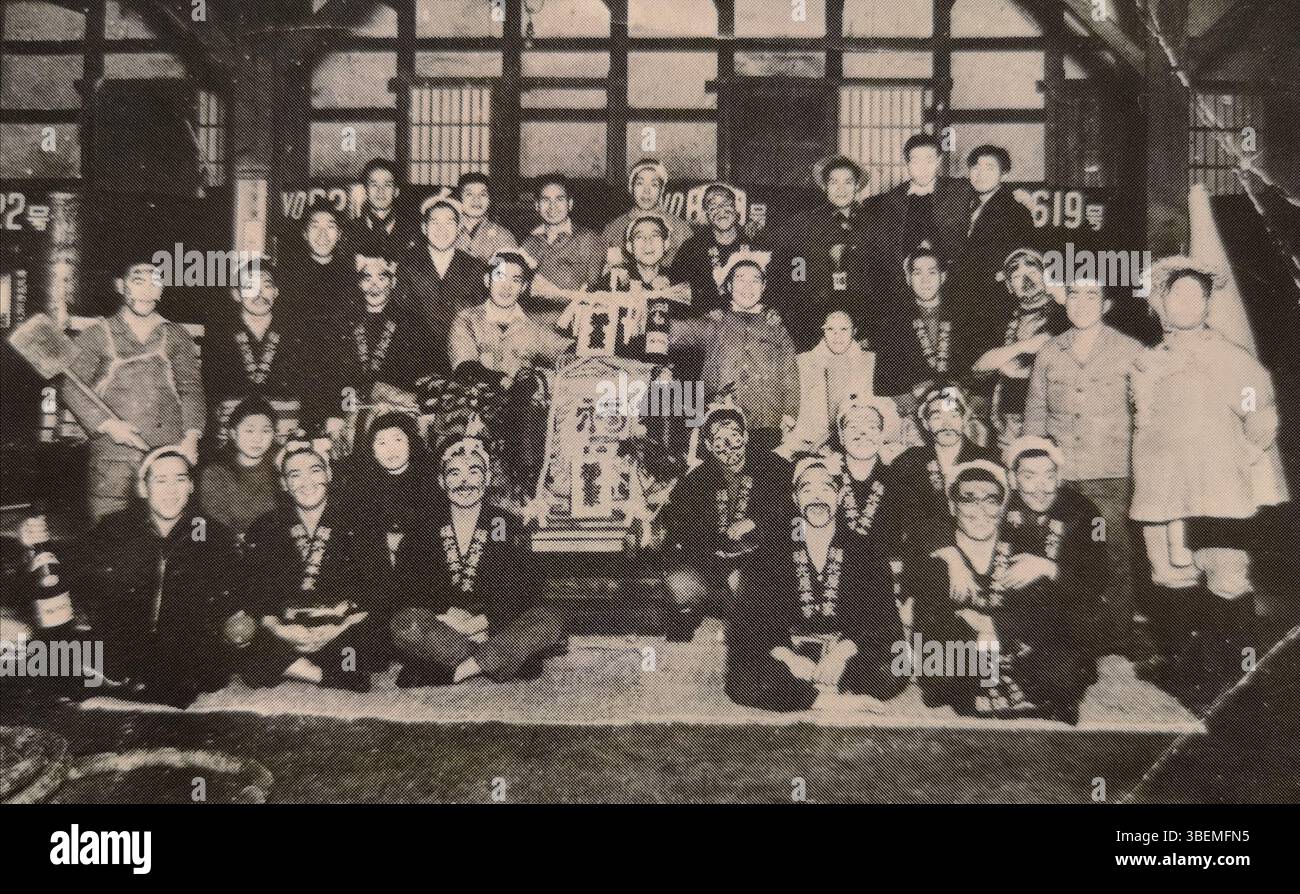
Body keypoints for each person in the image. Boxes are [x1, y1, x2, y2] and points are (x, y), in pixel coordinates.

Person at [1129, 257, 1288, 708]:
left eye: (1195, 295)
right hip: (1161, 490)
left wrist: (1252, 439)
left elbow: (1258, 410)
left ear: (1207, 304)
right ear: (1160, 301)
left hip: (1215, 490)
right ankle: (1188, 669)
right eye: (1175, 293)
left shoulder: (1232, 360)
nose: (1184, 302)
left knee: (1225, 575)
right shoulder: (1145, 362)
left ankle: (1240, 678)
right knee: (1171, 575)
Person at [905, 460, 1087, 721]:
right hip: (962, 648)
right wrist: (977, 635)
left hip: (1014, 646)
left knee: (1065, 668)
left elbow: (1045, 613)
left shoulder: (1023, 548)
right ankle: (1010, 694)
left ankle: (1004, 691)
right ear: (953, 506)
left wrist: (990, 625)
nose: (980, 509)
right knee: (942, 669)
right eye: (969, 499)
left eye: (991, 500)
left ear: (1002, 507)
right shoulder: (940, 555)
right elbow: (932, 620)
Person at [388, 422, 567, 687]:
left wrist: (483, 621)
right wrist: (444, 614)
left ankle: (456, 671)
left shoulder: (505, 524)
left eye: (474, 472)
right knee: (404, 624)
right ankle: (500, 659)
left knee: (551, 619)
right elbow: (409, 582)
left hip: (493, 622)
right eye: (454, 473)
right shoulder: (424, 526)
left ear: (487, 479)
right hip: (444, 623)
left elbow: (523, 585)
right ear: (441, 480)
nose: (464, 482)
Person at [725, 455, 907, 713]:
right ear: (795, 499)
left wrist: (842, 652)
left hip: (846, 651)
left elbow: (884, 617)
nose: (817, 497)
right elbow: (753, 619)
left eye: (826, 488)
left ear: (840, 496)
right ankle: (831, 700)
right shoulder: (771, 550)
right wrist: (789, 658)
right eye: (807, 489)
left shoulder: (865, 548)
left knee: (895, 666)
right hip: (792, 650)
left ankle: (804, 693)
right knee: (744, 678)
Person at [1023, 276, 1144, 656]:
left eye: (1092, 296)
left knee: (1114, 555)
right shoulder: (1050, 351)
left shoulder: (1130, 350)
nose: (1082, 303)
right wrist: (1033, 467)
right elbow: (1036, 412)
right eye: (1074, 295)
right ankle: (1067, 634)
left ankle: (1115, 634)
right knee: (1061, 555)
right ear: (1065, 302)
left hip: (1110, 474)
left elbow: (1145, 414)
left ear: (1106, 305)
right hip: (1061, 477)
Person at [79, 447, 248, 707]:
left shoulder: (211, 533)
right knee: (44, 657)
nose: (172, 490)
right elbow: (78, 579)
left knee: (190, 674)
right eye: (160, 481)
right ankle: (124, 679)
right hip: (125, 641)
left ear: (191, 486)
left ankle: (130, 684)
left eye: (180, 480)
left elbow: (233, 595)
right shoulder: (114, 528)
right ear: (143, 489)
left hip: (182, 650)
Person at [61, 253, 205, 523]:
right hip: (112, 459)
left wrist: (191, 437)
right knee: (109, 535)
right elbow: (71, 386)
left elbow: (191, 389)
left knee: (164, 532)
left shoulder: (176, 335)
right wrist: (108, 425)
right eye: (138, 281)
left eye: (155, 282)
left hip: (164, 457)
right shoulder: (96, 334)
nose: (147, 290)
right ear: (120, 286)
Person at [241, 441, 378, 691]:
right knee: (249, 647)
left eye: (315, 470)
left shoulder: (360, 520)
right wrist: (280, 629)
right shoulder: (266, 526)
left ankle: (296, 668)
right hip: (291, 629)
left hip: (341, 626)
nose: (307, 482)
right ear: (284, 484)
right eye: (295, 475)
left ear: (328, 474)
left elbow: (377, 585)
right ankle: (324, 675)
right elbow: (257, 589)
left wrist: (338, 628)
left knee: (361, 647)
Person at [659, 397, 792, 642]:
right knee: (679, 585)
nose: (729, 444)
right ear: (708, 446)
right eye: (719, 439)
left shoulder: (775, 467)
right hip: (713, 563)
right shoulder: (695, 481)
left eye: (734, 434)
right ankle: (683, 645)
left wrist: (755, 522)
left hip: (764, 559)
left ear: (746, 436)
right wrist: (718, 558)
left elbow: (788, 505)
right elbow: (684, 528)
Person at [669, 249, 798, 451]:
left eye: (755, 280)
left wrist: (790, 412)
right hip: (720, 420)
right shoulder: (715, 322)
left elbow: (789, 373)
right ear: (729, 285)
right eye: (740, 279)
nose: (748, 286)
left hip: (766, 421)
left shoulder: (776, 328)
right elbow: (680, 333)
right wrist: (646, 317)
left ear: (764, 287)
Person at [863, 134, 972, 323]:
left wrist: (1023, 197)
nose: (922, 168)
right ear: (906, 163)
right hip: (905, 284)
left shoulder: (959, 189)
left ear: (938, 161)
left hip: (952, 282)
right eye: (915, 161)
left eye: (929, 160)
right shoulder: (892, 199)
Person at [201, 258, 312, 442]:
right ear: (236, 294)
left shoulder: (295, 332)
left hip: (284, 431)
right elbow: (211, 389)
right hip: (235, 432)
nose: (260, 294)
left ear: (276, 292)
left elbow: (307, 386)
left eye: (267, 286)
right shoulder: (220, 333)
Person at [769, 154, 872, 350]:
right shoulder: (805, 223)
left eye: (848, 182)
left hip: (861, 323)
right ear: (825, 187)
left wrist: (869, 329)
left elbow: (881, 278)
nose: (841, 189)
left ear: (857, 186)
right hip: (814, 322)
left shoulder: (872, 223)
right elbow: (789, 270)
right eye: (834, 182)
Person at [967, 248, 1069, 441]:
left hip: (1052, 420)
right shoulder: (1001, 319)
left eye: (1032, 272)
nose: (1027, 280)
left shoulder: (1064, 314)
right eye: (1017, 276)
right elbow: (979, 367)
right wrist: (1024, 346)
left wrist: (1014, 368)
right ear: (1009, 287)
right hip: (1009, 422)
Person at [449, 249, 573, 380]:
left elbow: (567, 350)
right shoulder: (466, 320)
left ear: (523, 287)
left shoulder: (533, 328)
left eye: (515, 280)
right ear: (487, 280)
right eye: (499, 277)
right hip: (477, 398)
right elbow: (465, 368)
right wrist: (503, 382)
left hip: (521, 400)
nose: (506, 286)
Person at [873, 246, 961, 425]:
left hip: (954, 406)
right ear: (908, 279)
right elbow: (885, 378)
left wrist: (947, 411)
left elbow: (968, 370)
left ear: (942, 277)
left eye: (932, 272)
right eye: (917, 273)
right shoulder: (893, 321)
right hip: (913, 412)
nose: (925, 281)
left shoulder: (961, 316)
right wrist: (919, 414)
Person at [401, 194, 490, 363]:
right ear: (424, 228)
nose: (442, 229)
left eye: (449, 222)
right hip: (416, 355)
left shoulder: (475, 267)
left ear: (459, 228)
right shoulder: (408, 263)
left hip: (463, 356)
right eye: (435, 222)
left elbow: (480, 317)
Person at [785, 310, 877, 455]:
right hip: (810, 447)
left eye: (844, 329)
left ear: (854, 331)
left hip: (859, 446)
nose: (837, 336)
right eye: (830, 329)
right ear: (823, 332)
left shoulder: (871, 362)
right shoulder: (803, 363)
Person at [828, 395, 906, 562]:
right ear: (841, 436)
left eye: (871, 428)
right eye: (853, 427)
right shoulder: (827, 478)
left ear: (881, 436)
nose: (862, 434)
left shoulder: (899, 478)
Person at [668, 182, 764, 318]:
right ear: (706, 214)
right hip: (706, 325)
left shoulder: (755, 244)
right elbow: (677, 291)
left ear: (736, 208)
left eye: (726, 203)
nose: (721, 211)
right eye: (713, 206)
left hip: (748, 320)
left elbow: (772, 287)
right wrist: (704, 311)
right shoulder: (691, 248)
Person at [198, 397, 282, 541]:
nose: (258, 438)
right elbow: (206, 529)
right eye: (249, 431)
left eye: (266, 431)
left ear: (274, 434)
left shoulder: (280, 469)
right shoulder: (215, 473)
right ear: (233, 433)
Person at [520, 173, 604, 299]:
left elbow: (594, 290)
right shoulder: (528, 244)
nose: (552, 206)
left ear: (570, 204)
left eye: (559, 199)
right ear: (537, 205)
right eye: (545, 200)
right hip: (535, 314)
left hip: (577, 314)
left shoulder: (588, 239)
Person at [601, 158, 694, 269]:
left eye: (654, 184)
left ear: (661, 190)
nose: (646, 191)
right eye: (640, 183)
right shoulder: (613, 229)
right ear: (631, 188)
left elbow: (695, 273)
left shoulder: (681, 229)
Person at [281, 199, 353, 330]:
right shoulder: (290, 275)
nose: (323, 235)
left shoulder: (349, 275)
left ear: (339, 234)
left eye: (330, 227)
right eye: (315, 227)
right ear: (305, 234)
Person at [350, 158, 418, 259]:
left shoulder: (412, 231)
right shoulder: (350, 230)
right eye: (374, 185)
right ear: (365, 190)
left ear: (396, 191)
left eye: (387, 185)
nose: (380, 191)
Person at [454, 171, 519, 261]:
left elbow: (511, 271)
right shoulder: (450, 231)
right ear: (459, 199)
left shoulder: (503, 235)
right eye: (469, 194)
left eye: (483, 194)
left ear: (490, 200)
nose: (476, 199)